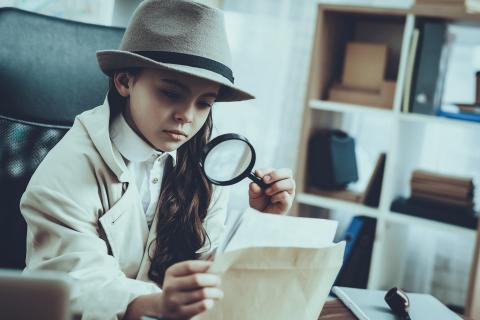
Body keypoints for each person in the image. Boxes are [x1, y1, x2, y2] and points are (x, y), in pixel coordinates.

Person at [20, 1, 296, 319]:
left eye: (204, 103)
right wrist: (157, 303)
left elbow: (212, 272)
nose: (187, 117)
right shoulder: (68, 168)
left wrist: (260, 223)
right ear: (125, 81)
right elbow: (77, 282)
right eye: (171, 93)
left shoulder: (205, 164)